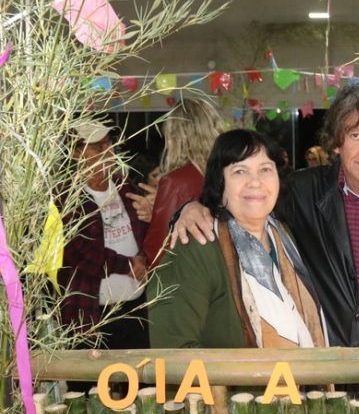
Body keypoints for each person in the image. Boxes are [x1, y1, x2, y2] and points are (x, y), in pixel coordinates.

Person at [173, 82, 359, 347]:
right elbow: (244, 204)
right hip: (326, 367)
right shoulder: (302, 192)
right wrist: (191, 208)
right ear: (336, 143)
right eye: (356, 135)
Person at [147, 129, 326, 349]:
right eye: (240, 171)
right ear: (220, 183)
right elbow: (171, 348)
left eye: (265, 169)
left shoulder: (283, 236)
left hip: (299, 371)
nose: (255, 182)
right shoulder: (197, 245)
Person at [58, 121, 149, 350]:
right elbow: (78, 252)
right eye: (98, 147)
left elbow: (145, 234)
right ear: (76, 152)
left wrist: (152, 218)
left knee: (142, 370)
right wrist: (129, 265)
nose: (108, 152)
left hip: (136, 306)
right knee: (92, 372)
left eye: (110, 144)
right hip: (90, 313)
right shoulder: (65, 197)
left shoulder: (125, 186)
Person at [141, 97, 225, 267]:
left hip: (188, 273)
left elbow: (158, 250)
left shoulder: (175, 181)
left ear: (174, 136)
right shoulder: (229, 172)